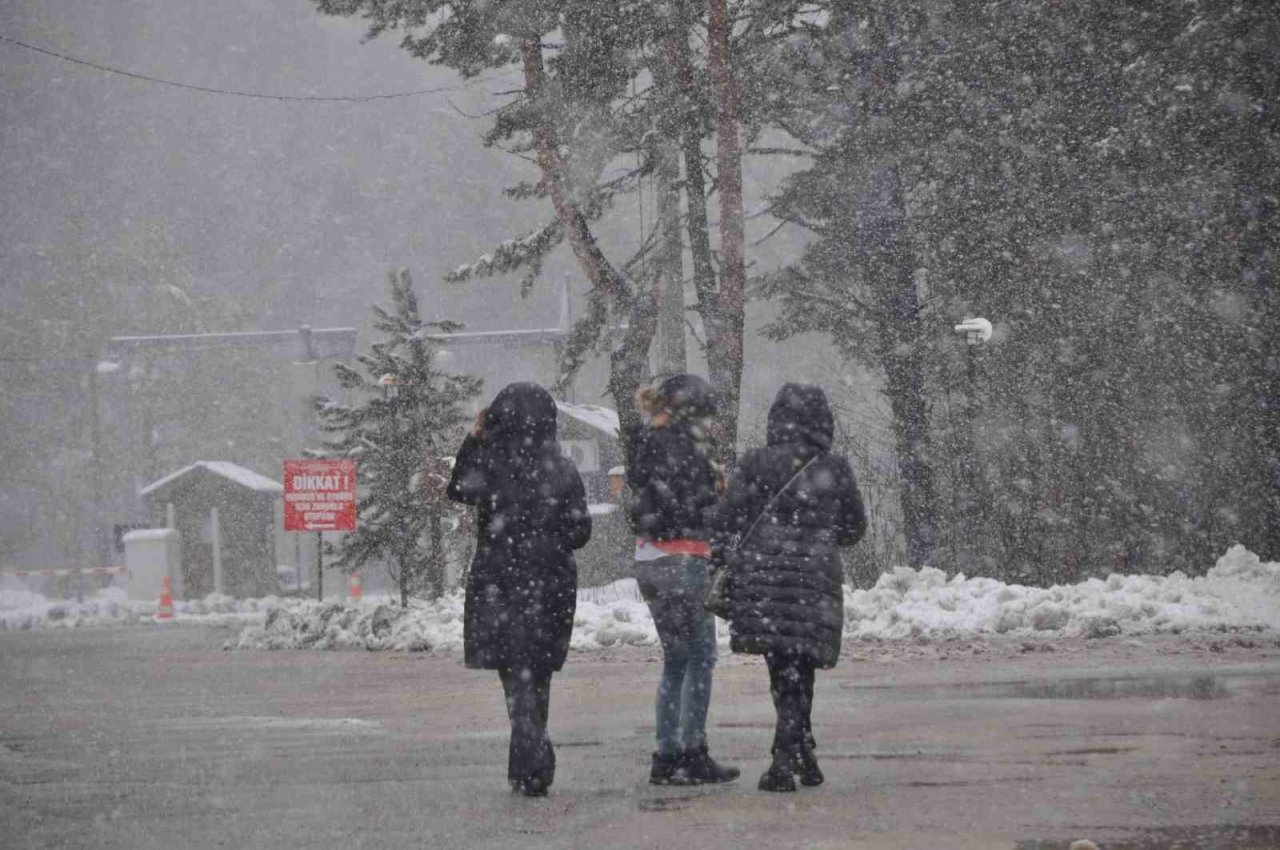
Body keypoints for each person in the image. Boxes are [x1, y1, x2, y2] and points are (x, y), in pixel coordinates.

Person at [711, 383, 867, 792]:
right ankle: (794, 752)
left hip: (763, 577)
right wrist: (817, 538)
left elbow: (727, 519)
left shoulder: (754, 463)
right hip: (813, 579)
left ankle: (790, 754)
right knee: (802, 664)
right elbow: (854, 529)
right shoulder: (833, 467)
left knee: (782, 666)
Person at [446, 382, 591, 796]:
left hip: (499, 581)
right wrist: (550, 534)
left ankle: (529, 756)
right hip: (549, 584)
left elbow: (457, 488)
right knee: (538, 674)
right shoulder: (562, 469)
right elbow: (580, 532)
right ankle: (530, 758)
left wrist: (473, 439)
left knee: (515, 675)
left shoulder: (490, 462)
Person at [625, 374, 739, 786]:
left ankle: (666, 755)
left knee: (675, 660)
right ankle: (693, 751)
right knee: (701, 657)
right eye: (705, 417)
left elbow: (650, 495)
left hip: (650, 561)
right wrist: (719, 490)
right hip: (683, 559)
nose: (708, 426)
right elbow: (697, 508)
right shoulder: (682, 446)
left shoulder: (646, 439)